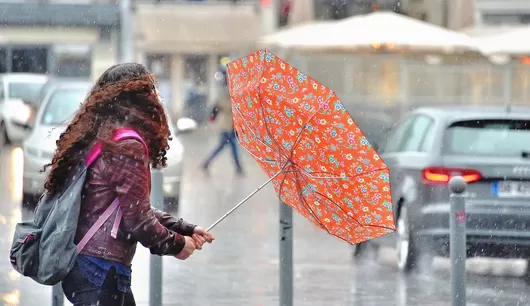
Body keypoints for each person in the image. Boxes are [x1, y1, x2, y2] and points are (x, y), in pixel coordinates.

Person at [42, 63, 215, 306]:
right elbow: (138, 221)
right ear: (140, 99)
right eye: (150, 92)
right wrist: (177, 245)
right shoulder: (126, 144)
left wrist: (184, 228)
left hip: (87, 266)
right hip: (100, 270)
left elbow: (127, 207)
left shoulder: (103, 136)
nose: (155, 99)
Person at [201, 72, 244, 175]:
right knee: (232, 147)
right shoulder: (226, 94)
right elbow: (221, 106)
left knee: (223, 147)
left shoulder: (230, 93)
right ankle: (238, 168)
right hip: (226, 125)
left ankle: (206, 163)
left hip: (230, 125)